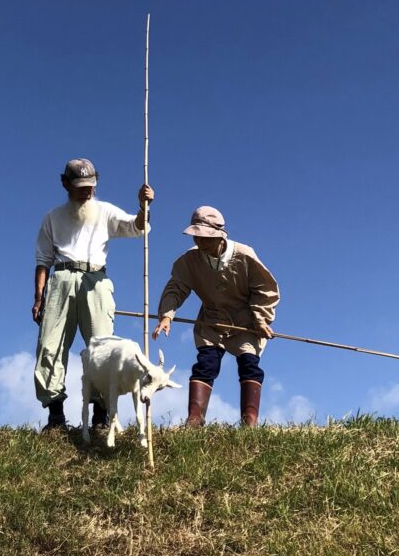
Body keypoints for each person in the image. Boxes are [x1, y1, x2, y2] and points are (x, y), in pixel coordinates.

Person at [33, 158, 155, 432]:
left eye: (90, 186)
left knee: (102, 346)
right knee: (50, 345)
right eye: (80, 187)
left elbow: (136, 227)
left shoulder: (105, 211)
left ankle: (101, 416)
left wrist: (143, 206)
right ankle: (55, 418)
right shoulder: (52, 218)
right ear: (65, 184)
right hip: (61, 279)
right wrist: (39, 297)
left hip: (96, 279)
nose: (86, 192)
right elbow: (43, 260)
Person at [153, 205, 279, 428]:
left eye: (205, 238)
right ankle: (195, 420)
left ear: (220, 236)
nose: (200, 242)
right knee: (206, 364)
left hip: (246, 320)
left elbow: (265, 289)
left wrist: (261, 319)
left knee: (249, 364)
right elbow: (176, 287)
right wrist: (167, 315)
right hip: (211, 319)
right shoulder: (189, 261)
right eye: (196, 237)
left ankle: (249, 423)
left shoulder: (244, 255)